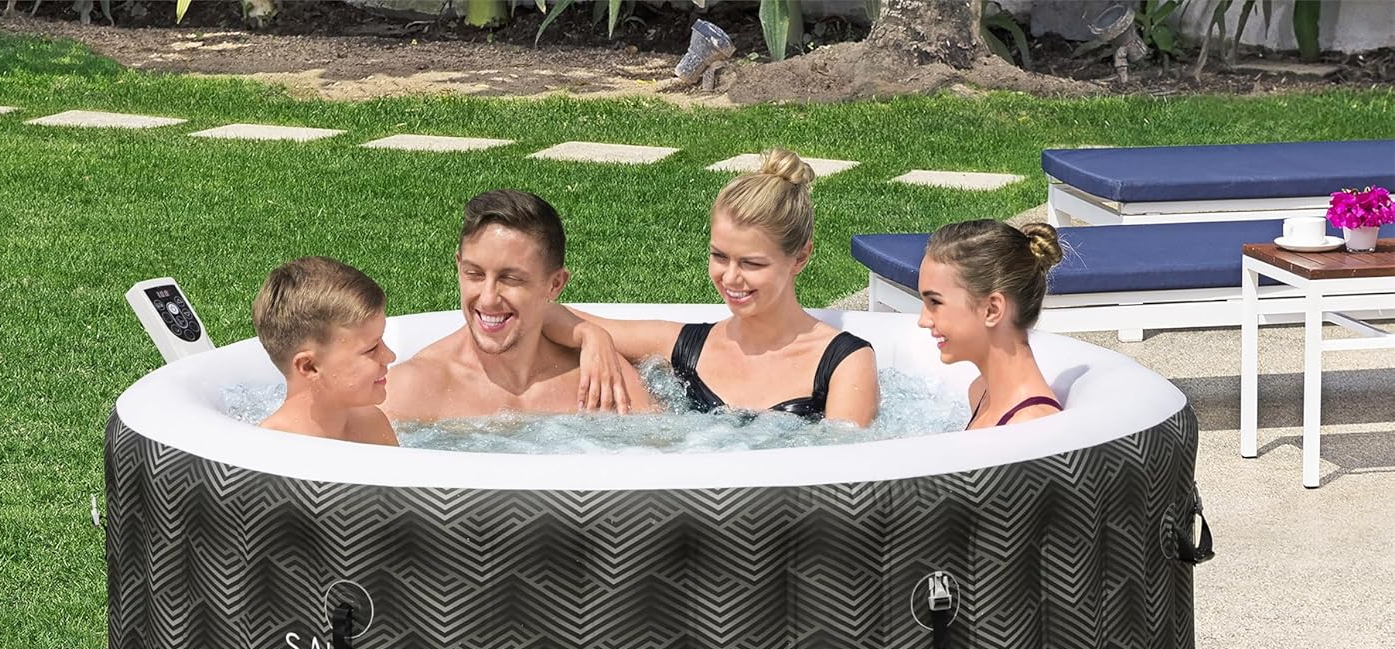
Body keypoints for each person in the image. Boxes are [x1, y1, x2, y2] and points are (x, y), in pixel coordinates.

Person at [540, 150, 879, 426]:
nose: (730, 278)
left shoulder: (844, 362)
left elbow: (843, 468)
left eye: (751, 264)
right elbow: (543, 312)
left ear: (800, 257)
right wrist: (592, 336)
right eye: (719, 256)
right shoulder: (683, 347)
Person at [379, 189, 655, 423]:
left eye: (510, 279)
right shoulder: (411, 390)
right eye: (474, 274)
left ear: (555, 284)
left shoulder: (604, 378)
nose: (488, 298)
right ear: (458, 266)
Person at [916, 219, 1066, 430]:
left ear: (992, 310)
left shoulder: (1029, 427)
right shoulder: (980, 391)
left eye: (935, 302)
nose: (923, 321)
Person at [254, 256, 399, 446]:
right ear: (310, 366)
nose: (390, 356)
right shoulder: (273, 447)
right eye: (372, 349)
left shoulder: (371, 424)